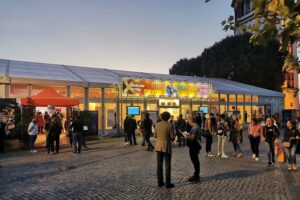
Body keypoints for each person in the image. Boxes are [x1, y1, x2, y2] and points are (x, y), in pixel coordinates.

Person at [155, 111, 175, 188]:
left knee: (159, 165)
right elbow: (172, 137)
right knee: (167, 165)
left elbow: (155, 135)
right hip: (167, 147)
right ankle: (167, 183)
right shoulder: (170, 125)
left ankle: (160, 182)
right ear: (169, 117)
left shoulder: (157, 124)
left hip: (158, 146)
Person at [185, 117, 201, 182]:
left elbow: (192, 138)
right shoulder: (196, 127)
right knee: (195, 160)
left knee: (195, 160)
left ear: (192, 121)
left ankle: (196, 175)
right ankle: (196, 174)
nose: (188, 122)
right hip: (193, 145)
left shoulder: (195, 128)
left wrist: (186, 136)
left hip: (194, 145)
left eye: (189, 120)